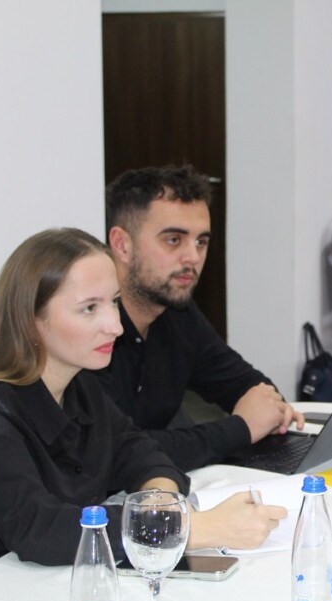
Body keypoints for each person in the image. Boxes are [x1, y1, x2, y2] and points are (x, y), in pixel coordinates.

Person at [0, 229, 287, 601]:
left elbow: (138, 450)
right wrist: (188, 528)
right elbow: (39, 528)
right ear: (30, 320)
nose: (116, 326)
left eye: (115, 302)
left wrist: (159, 502)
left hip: (27, 578)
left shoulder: (79, 384)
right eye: (90, 308)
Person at [95, 165, 303, 472]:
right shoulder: (88, 330)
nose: (192, 257)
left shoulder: (177, 312)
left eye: (201, 242)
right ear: (122, 245)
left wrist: (266, 412)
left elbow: (248, 385)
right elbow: (116, 454)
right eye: (174, 240)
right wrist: (241, 428)